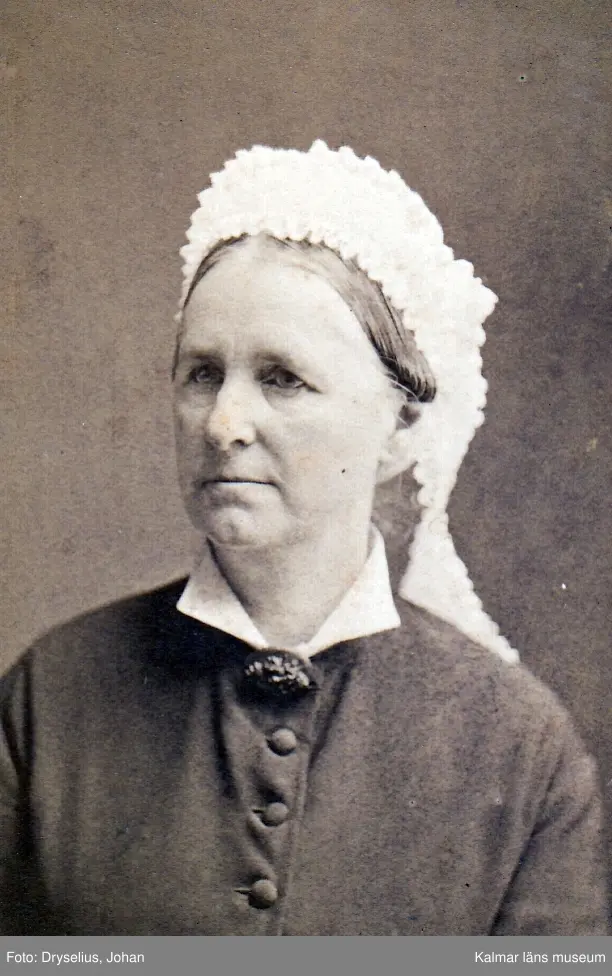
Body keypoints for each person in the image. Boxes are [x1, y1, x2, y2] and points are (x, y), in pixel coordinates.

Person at [0, 142, 608, 936]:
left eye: (282, 379)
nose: (223, 424)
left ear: (402, 428)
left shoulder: (520, 750)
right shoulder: (50, 699)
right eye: (202, 373)